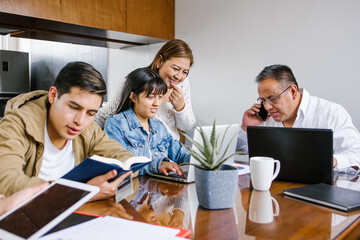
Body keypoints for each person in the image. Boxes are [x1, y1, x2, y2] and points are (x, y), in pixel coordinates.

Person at [0, 61, 133, 200]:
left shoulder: (89, 129)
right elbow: (6, 181)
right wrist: (83, 191)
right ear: (53, 95)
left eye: (90, 113)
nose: (80, 121)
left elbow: (125, 159)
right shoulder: (16, 124)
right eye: (74, 107)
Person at [237, 64, 360, 172]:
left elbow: (356, 156)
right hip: (274, 187)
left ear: (293, 91)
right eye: (263, 100)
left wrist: (331, 161)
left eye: (272, 98)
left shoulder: (331, 113)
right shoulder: (265, 118)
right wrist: (246, 128)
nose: (267, 106)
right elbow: (241, 151)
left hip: (319, 190)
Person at [95, 39, 196, 141]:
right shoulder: (138, 81)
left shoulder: (183, 83)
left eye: (185, 72)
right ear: (160, 61)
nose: (179, 76)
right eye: (175, 69)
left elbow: (186, 126)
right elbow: (104, 116)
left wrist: (180, 107)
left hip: (168, 149)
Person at [104, 68, 189, 177]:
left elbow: (181, 154)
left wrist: (205, 161)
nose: (157, 103)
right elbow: (120, 165)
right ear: (133, 97)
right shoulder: (116, 124)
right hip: (133, 190)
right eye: (151, 97)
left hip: (159, 189)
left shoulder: (159, 127)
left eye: (159, 97)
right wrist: (157, 165)